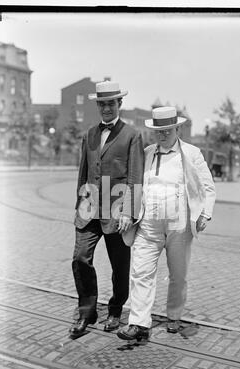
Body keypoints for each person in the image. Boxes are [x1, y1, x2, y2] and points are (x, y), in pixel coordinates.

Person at [118, 106, 216, 342]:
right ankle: (138, 323)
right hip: (148, 224)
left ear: (176, 128)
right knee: (140, 272)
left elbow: (208, 187)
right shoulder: (147, 152)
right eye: (158, 130)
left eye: (166, 130)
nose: (161, 135)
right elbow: (134, 185)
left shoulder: (191, 153)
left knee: (178, 275)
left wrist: (205, 214)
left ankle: (174, 316)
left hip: (179, 226)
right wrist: (126, 211)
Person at [69, 80, 144, 340]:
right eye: (102, 104)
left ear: (119, 104)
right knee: (80, 258)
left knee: (119, 266)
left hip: (117, 211)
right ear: (98, 106)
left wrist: (129, 212)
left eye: (111, 103)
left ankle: (115, 310)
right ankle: (87, 311)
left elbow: (135, 177)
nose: (106, 108)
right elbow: (83, 172)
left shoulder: (132, 135)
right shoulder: (89, 134)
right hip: (89, 210)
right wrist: (79, 205)